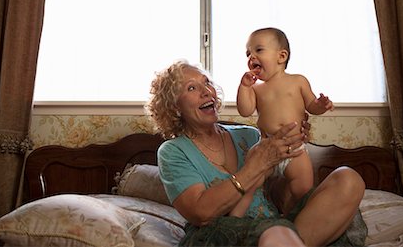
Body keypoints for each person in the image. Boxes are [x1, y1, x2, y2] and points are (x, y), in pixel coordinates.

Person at [145, 59, 367, 247]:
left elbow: (281, 197)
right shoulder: (172, 151)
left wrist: (292, 149)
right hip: (218, 234)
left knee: (348, 179)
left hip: (274, 225)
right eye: (192, 88)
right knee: (276, 232)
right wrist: (254, 166)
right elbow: (201, 212)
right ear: (174, 107)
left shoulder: (249, 135)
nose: (206, 91)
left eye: (207, 83)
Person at [237, 27, 334, 215]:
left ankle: (291, 216)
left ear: (281, 56)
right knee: (249, 185)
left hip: (294, 149)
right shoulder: (256, 88)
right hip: (266, 147)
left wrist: (322, 105)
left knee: (302, 187)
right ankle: (234, 219)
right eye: (248, 53)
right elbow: (245, 110)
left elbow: (311, 106)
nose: (251, 57)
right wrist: (244, 87)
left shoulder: (298, 81)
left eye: (258, 50)